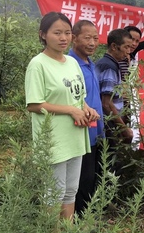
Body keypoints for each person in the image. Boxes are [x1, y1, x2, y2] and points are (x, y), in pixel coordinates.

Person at [25, 12, 100, 221]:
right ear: (43, 35)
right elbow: (34, 104)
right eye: (57, 33)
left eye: (67, 33)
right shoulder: (38, 64)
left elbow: (78, 97)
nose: (63, 38)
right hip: (53, 138)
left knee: (70, 191)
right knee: (53, 194)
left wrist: (85, 109)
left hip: (75, 135)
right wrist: (70, 110)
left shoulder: (71, 62)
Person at [67, 20, 105, 215]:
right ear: (74, 38)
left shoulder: (90, 63)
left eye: (96, 38)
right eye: (87, 38)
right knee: (80, 181)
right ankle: (78, 222)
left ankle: (88, 217)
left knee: (93, 177)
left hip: (95, 131)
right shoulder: (69, 65)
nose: (92, 42)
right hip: (80, 133)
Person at [95, 28, 133, 175]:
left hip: (108, 122)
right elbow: (106, 103)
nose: (127, 52)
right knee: (109, 163)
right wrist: (124, 129)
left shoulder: (108, 63)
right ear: (114, 47)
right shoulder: (109, 67)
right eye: (125, 47)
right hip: (108, 123)